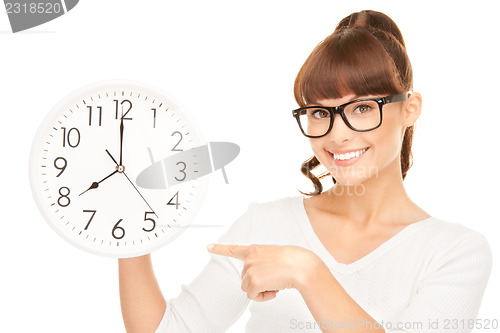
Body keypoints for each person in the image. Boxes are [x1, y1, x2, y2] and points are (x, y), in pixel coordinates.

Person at [118, 10, 492, 333]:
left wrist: (308, 272)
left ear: (409, 109)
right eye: (319, 112)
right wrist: (126, 228)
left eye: (361, 107)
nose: (338, 134)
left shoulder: (455, 252)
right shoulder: (264, 223)